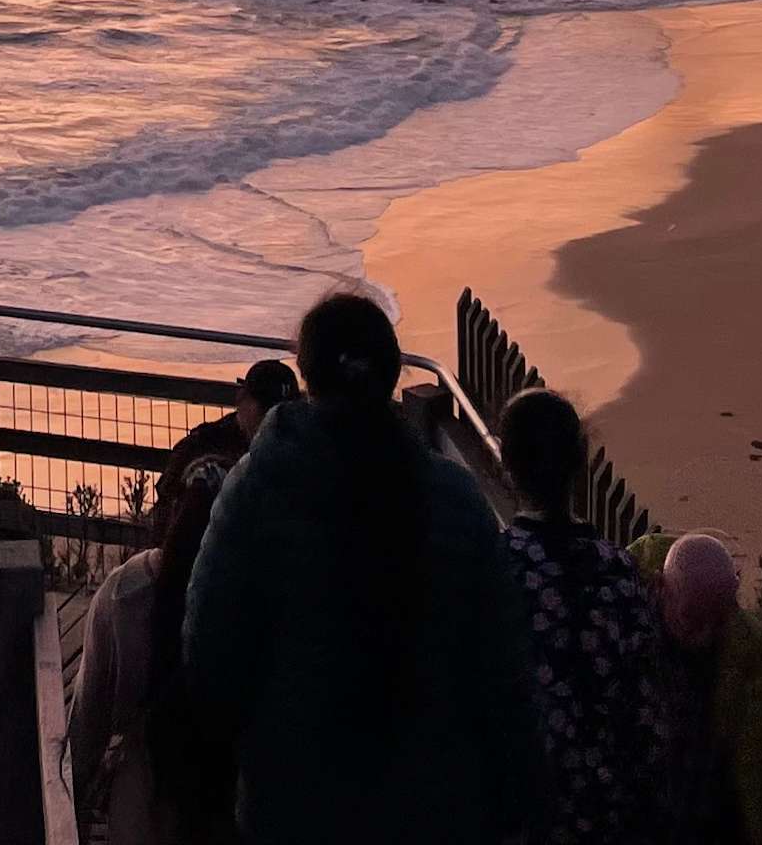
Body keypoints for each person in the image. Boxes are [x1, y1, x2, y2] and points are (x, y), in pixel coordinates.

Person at [181, 291, 535, 845]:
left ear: (308, 377)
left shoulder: (258, 487)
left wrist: (239, 759)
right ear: (391, 375)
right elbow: (502, 663)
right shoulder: (456, 496)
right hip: (436, 805)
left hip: (292, 803)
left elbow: (208, 648)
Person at [499, 387, 676, 845]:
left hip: (519, 808)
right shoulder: (618, 569)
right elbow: (647, 705)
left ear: (506, 465)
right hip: (608, 811)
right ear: (581, 463)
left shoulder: (495, 567)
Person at [73, 454, 239, 845]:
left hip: (142, 807)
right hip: (227, 805)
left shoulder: (124, 590)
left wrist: (70, 805)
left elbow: (87, 721)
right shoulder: (249, 595)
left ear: (168, 516)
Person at [625, 530, 762, 843]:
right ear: (660, 588)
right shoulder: (621, 625)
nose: (705, 636)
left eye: (719, 621)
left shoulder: (751, 652)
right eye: (691, 621)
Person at [163, 357, 295, 498]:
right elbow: (167, 491)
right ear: (243, 400)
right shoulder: (203, 444)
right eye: (265, 410)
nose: (274, 419)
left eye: (287, 412)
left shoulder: (297, 447)